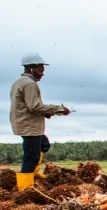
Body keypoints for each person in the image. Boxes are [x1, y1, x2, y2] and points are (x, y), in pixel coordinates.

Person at [10, 53, 70, 190]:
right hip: (29, 125)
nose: (42, 74)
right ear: (31, 68)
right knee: (30, 157)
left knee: (43, 144)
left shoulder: (18, 82)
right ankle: (25, 189)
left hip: (25, 123)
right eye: (40, 70)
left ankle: (34, 173)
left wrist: (47, 112)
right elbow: (35, 106)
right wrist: (59, 109)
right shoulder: (29, 84)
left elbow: (26, 105)